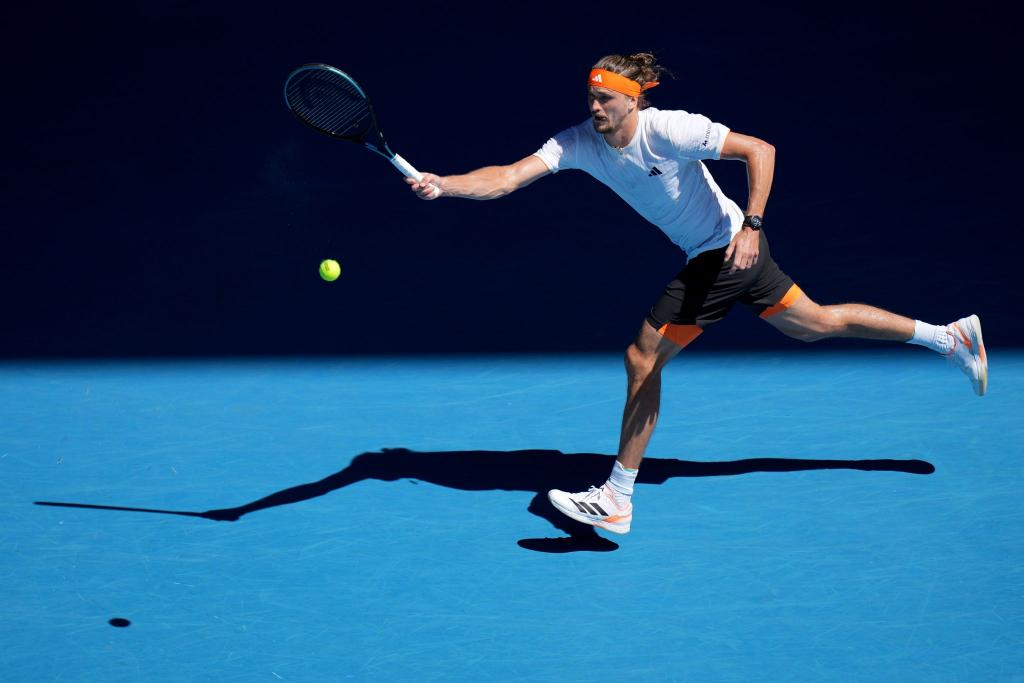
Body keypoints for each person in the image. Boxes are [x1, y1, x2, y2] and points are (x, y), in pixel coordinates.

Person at [406, 52, 988, 535]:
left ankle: (617, 496)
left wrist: (751, 228)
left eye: (605, 99)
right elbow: (508, 176)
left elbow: (761, 150)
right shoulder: (580, 142)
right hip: (718, 253)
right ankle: (948, 337)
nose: (594, 108)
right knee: (814, 324)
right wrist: (445, 185)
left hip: (725, 249)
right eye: (590, 97)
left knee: (643, 356)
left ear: (634, 100)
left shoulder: (669, 128)